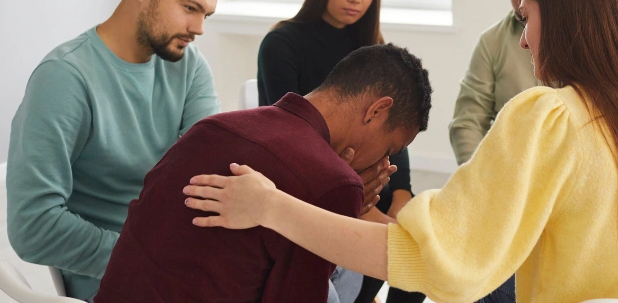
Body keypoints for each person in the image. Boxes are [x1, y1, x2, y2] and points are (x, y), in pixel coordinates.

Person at [183, 0, 618, 303]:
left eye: (528, 19)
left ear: (564, 21)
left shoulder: (549, 117)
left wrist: (271, 206)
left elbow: (432, 262)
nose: (524, 39)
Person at [94, 44, 431, 303]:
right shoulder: (334, 182)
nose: (382, 163)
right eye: (389, 148)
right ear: (376, 110)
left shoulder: (213, 126)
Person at [5, 0, 224, 300]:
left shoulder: (189, 67)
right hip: (123, 276)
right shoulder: (64, 78)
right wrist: (146, 255)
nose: (199, 28)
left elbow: (207, 174)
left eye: (206, 14)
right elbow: (32, 226)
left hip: (184, 258)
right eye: (189, 8)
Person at [254, 0, 423, 303]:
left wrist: (403, 196)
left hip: (366, 178)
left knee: (418, 249)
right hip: (311, 179)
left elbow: (395, 134)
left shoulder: (373, 47)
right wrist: (365, 207)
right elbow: (285, 134)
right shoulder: (281, 44)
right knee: (394, 248)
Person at [449, 0, 565, 165]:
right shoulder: (491, 42)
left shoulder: (590, 34)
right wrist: (478, 179)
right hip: (512, 171)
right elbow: (468, 122)